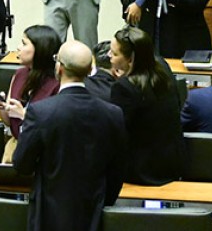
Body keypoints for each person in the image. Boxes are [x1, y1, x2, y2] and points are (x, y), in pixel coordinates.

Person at [12, 40, 126, 231]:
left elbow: (22, 164)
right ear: (90, 70)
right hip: (94, 210)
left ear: (59, 68)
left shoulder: (41, 112)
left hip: (49, 212)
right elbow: (117, 169)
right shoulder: (113, 113)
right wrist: (104, 201)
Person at [107, 26, 184, 185]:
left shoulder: (124, 88)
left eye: (114, 54)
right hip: (172, 165)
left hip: (142, 171)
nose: (108, 56)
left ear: (130, 60)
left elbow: (116, 134)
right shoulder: (163, 69)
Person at [0, 25, 61, 160]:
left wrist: (23, 115)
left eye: (24, 44)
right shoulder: (19, 74)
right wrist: (3, 108)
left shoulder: (57, 83)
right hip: (16, 145)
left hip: (44, 152)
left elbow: (55, 129)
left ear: (40, 49)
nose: (18, 48)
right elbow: (9, 122)